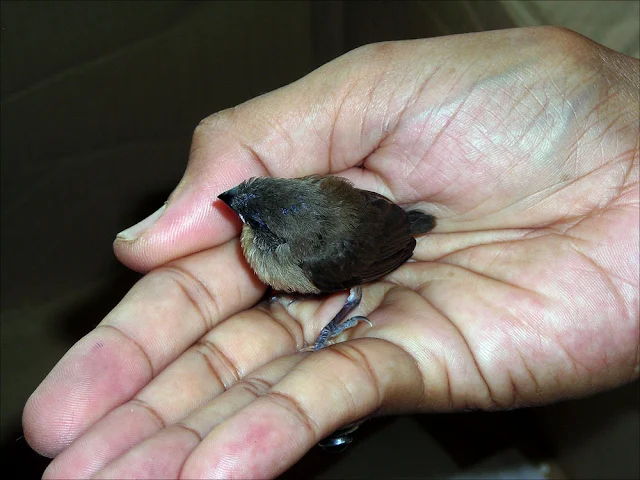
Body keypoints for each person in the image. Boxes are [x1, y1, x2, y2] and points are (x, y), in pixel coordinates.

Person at [23, 27, 638, 479]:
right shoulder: (294, 214)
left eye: (245, 207)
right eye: (243, 202)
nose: (233, 201)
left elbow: (379, 253)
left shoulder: (312, 256)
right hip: (369, 218)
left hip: (375, 237)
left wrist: (342, 313)